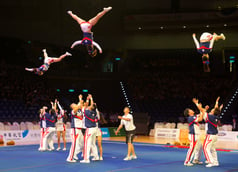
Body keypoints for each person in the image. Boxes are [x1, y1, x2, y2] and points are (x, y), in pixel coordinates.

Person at [183, 98, 205, 166]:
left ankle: (196, 160)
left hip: (197, 135)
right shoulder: (191, 118)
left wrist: (198, 105)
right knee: (192, 148)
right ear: (189, 113)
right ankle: (186, 162)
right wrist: (199, 108)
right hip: (193, 135)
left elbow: (202, 113)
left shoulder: (194, 116)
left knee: (200, 147)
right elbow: (201, 118)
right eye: (191, 110)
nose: (192, 110)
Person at [203, 97, 223, 167]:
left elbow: (203, 112)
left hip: (210, 135)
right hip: (215, 135)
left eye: (212, 110)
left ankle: (210, 162)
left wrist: (204, 109)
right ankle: (215, 162)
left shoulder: (211, 116)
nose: (211, 110)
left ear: (213, 112)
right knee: (213, 149)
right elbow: (216, 110)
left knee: (206, 148)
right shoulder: (216, 116)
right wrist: (216, 102)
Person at [80, 94, 99, 163]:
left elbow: (84, 106)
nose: (90, 105)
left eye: (91, 105)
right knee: (93, 144)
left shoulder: (87, 112)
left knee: (87, 144)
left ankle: (86, 159)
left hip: (89, 129)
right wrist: (91, 98)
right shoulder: (94, 112)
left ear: (91, 107)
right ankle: (96, 156)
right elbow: (92, 105)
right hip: (95, 129)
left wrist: (82, 99)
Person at [66, 95, 84, 163]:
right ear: (72, 107)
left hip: (80, 129)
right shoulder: (73, 111)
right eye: (73, 104)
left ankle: (75, 155)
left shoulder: (79, 110)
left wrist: (81, 100)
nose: (75, 104)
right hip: (75, 129)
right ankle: (70, 158)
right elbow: (78, 106)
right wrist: (79, 99)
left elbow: (80, 105)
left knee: (82, 144)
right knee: (74, 144)